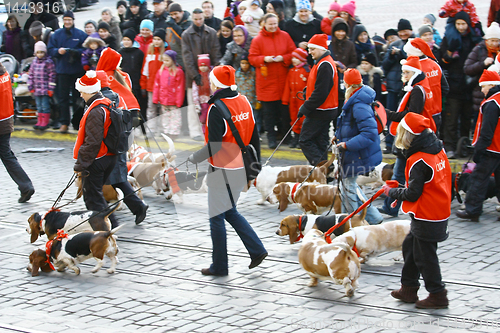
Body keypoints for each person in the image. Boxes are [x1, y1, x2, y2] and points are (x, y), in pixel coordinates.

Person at [187, 65, 268, 277]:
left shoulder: (216, 109)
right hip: (242, 166)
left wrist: (194, 158)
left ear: (216, 83)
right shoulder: (244, 101)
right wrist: (254, 169)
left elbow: (213, 146)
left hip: (223, 168)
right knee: (229, 211)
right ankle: (257, 250)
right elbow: (254, 137)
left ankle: (220, 266)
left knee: (216, 216)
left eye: (212, 80)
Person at [387, 112, 451, 309]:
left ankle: (437, 294)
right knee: (410, 246)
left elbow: (413, 193)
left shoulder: (418, 159)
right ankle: (409, 288)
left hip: (427, 213)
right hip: (438, 208)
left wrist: (391, 192)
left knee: (425, 256)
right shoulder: (436, 149)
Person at [379, 56, 436, 217]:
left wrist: (388, 114)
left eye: (406, 72)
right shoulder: (419, 87)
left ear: (414, 73)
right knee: (401, 173)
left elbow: (412, 115)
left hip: (410, 137)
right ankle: (392, 205)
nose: (403, 75)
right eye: (403, 72)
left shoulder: (416, 90)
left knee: (399, 174)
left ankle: (391, 206)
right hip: (415, 136)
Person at [95, 70, 148, 225]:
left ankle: (107, 219)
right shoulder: (117, 95)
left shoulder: (101, 99)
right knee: (118, 179)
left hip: (107, 146)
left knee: (97, 183)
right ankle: (138, 207)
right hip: (119, 143)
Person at [335, 68, 383, 224]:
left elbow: (369, 133)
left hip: (357, 154)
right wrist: (338, 137)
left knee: (347, 187)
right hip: (356, 152)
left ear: (348, 84)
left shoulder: (358, 104)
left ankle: (353, 222)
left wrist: (347, 145)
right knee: (350, 185)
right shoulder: (358, 99)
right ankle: (373, 217)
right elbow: (352, 127)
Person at [73, 70, 118, 227]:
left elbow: (92, 142)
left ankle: (104, 229)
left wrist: (80, 164)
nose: (80, 95)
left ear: (87, 91)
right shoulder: (104, 104)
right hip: (108, 156)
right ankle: (110, 224)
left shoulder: (95, 110)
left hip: (98, 159)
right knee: (96, 195)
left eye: (81, 92)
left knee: (93, 198)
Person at [456, 70, 500, 222]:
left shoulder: (492, 103)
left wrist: (478, 150)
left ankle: (472, 210)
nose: (482, 90)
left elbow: (487, 131)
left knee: (478, 179)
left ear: (492, 85)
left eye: (483, 86)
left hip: (492, 148)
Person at [248, 13, 296, 149]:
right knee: (269, 114)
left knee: (284, 112)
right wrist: (264, 59)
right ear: (264, 24)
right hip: (266, 82)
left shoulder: (285, 36)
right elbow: (252, 58)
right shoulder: (257, 40)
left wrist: (283, 58)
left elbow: (293, 52)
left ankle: (285, 136)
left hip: (283, 81)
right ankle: (271, 138)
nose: (273, 26)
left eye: (275, 23)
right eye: (270, 24)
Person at [440, 11, 479, 158]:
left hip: (469, 85)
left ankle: (464, 145)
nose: (461, 27)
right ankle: (449, 146)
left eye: (463, 24)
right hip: (453, 86)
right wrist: (450, 52)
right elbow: (443, 60)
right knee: (451, 118)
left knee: (466, 119)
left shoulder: (472, 39)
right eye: (458, 24)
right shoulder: (449, 39)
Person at [297, 34, 338, 165]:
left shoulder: (324, 64)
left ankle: (322, 167)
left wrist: (306, 107)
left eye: (312, 49)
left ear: (321, 48)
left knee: (305, 140)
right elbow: (319, 86)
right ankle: (325, 171)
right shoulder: (324, 62)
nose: (310, 52)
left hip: (320, 110)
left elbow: (321, 92)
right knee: (321, 141)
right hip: (326, 109)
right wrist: (307, 92)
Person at [182, 8, 221, 141]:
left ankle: (211, 128)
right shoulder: (187, 34)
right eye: (196, 19)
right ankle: (195, 131)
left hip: (210, 75)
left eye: (200, 19)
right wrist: (195, 75)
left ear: (204, 18)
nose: (198, 21)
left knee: (211, 103)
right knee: (193, 104)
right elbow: (186, 57)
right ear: (192, 19)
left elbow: (216, 53)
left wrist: (216, 74)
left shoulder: (211, 33)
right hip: (193, 76)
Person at [0, 63, 35, 203]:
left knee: (7, 155)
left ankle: (25, 186)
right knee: (7, 155)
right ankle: (25, 185)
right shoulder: (5, 74)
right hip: (6, 120)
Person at [47, 10, 87, 133]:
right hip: (62, 70)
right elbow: (50, 49)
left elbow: (86, 50)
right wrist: (57, 52)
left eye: (70, 20)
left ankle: (77, 123)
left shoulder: (80, 34)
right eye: (65, 20)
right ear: (63, 21)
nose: (68, 22)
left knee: (78, 98)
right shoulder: (56, 35)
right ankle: (64, 122)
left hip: (77, 71)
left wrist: (76, 52)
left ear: (73, 21)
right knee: (63, 99)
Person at [404, 38, 449, 136]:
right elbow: (445, 88)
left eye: (407, 53)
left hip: (420, 114)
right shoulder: (435, 65)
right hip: (436, 112)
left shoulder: (412, 69)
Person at [382, 18, 412, 153]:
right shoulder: (394, 44)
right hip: (393, 86)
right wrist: (392, 55)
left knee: (405, 116)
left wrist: (402, 54)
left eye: (405, 31)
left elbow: (412, 61)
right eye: (401, 31)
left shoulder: (414, 44)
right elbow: (385, 66)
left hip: (407, 88)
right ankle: (389, 143)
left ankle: (403, 143)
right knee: (391, 114)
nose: (403, 33)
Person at [464, 23, 500, 124]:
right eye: (492, 40)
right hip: (480, 93)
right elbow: (467, 68)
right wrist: (483, 63)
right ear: (486, 40)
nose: (494, 43)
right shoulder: (478, 50)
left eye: (497, 41)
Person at [152, 50, 185, 139]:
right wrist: (155, 98)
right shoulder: (160, 71)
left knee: (175, 117)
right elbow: (157, 85)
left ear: (173, 61)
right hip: (163, 99)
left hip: (173, 100)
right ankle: (166, 132)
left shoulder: (178, 72)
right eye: (164, 60)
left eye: (167, 60)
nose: (165, 62)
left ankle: (173, 133)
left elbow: (180, 88)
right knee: (165, 117)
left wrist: (179, 101)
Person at [282, 48, 309, 148]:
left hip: (302, 100)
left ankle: (302, 138)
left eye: (296, 58)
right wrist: (285, 99)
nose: (293, 60)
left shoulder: (307, 71)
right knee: (294, 118)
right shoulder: (291, 71)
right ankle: (296, 137)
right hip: (293, 100)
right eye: (293, 57)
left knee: (303, 118)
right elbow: (287, 86)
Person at [329, 17, 357, 109]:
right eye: (338, 31)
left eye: (343, 31)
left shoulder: (350, 45)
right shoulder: (329, 45)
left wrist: (346, 69)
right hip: (331, 80)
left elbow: (354, 61)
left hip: (344, 80)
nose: (341, 34)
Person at [119, 28, 146, 122]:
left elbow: (142, 68)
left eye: (128, 40)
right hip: (123, 84)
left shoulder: (138, 53)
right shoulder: (120, 53)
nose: (126, 42)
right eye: (124, 40)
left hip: (136, 83)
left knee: (138, 106)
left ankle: (140, 125)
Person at [142, 28, 166, 134]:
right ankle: (151, 130)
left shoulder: (165, 54)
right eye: (154, 39)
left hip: (163, 87)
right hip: (151, 86)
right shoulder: (149, 53)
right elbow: (145, 71)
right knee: (151, 108)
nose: (156, 41)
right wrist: (143, 85)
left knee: (162, 109)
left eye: (159, 39)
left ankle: (161, 130)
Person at [28, 41, 56, 131]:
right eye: (38, 52)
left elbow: (52, 75)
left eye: (41, 52)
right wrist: (30, 86)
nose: (40, 54)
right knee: (39, 106)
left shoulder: (48, 62)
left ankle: (45, 121)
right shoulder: (34, 62)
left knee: (45, 106)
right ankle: (39, 121)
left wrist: (51, 88)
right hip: (36, 89)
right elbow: (31, 74)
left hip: (45, 89)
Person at [235, 53, 259, 132]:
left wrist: (258, 100)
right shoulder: (237, 74)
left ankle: (256, 134)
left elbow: (257, 86)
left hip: (253, 100)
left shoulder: (254, 73)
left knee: (255, 119)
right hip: (241, 102)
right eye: (242, 63)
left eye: (246, 63)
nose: (244, 65)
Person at [193, 54, 212, 134]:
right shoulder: (197, 78)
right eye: (201, 66)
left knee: (211, 118)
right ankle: (205, 133)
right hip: (202, 102)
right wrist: (196, 103)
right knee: (203, 118)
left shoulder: (211, 76)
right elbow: (194, 91)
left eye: (205, 66)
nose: (203, 68)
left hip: (210, 101)